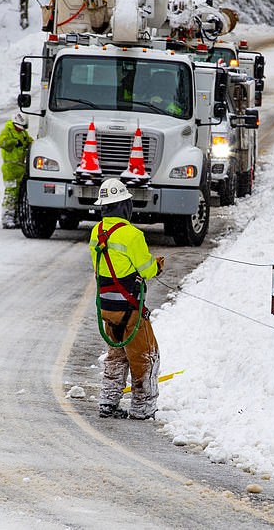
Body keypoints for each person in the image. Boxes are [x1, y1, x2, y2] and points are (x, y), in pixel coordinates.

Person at [89, 178, 165, 419]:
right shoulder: (132, 235)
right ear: (123, 206)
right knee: (146, 356)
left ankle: (108, 402)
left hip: (108, 309)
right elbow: (145, 269)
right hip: (130, 309)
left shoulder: (96, 232)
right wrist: (157, 266)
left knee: (116, 355)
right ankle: (142, 408)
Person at [0, 112, 33, 229]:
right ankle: (7, 217)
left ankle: (17, 217)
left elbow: (30, 141)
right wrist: (13, 142)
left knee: (19, 194)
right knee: (11, 193)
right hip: (10, 169)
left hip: (20, 168)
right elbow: (2, 142)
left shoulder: (23, 133)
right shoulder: (7, 131)